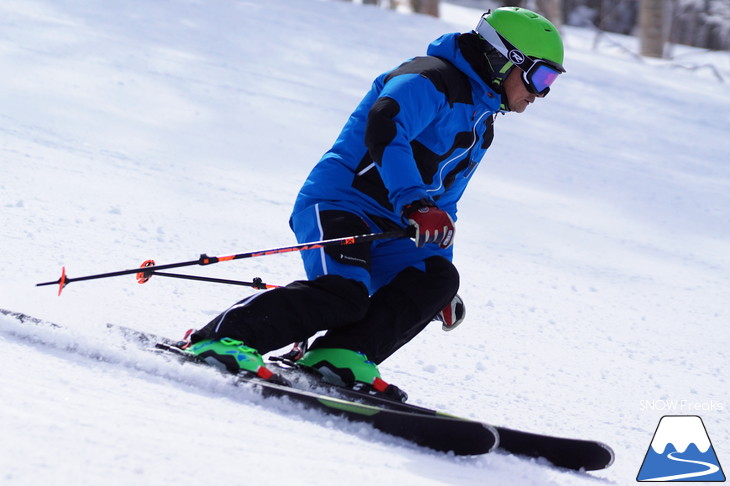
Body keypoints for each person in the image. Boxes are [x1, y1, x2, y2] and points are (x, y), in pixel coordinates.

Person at [185, 7, 565, 395]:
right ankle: (222, 337)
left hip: (392, 227)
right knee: (342, 294)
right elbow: (384, 125)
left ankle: (339, 353)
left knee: (438, 281)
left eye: (550, 81)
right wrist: (415, 204)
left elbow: (445, 203)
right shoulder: (430, 78)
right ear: (502, 60)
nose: (540, 93)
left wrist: (433, 262)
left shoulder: (480, 125)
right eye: (539, 76)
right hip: (341, 203)